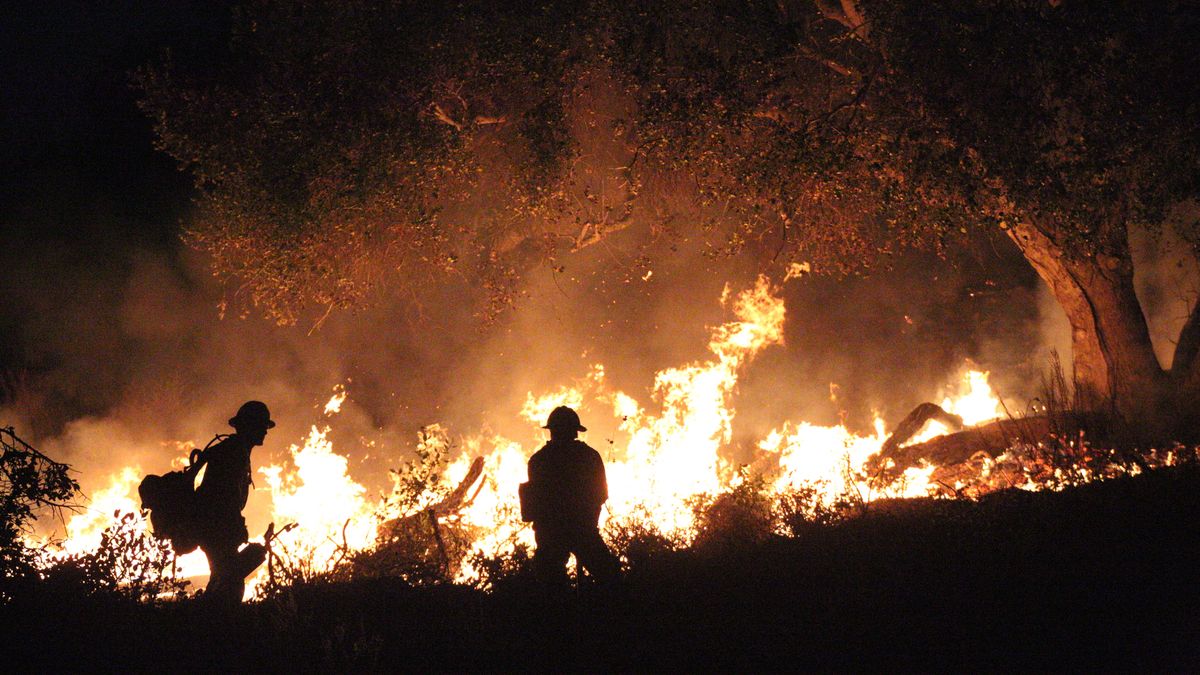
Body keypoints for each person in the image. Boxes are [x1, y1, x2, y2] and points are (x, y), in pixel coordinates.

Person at [523, 406, 620, 587]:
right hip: (582, 530)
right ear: (575, 431)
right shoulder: (589, 456)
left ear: (551, 431)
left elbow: (535, 502)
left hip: (550, 534)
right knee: (610, 576)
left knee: (550, 585)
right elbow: (601, 494)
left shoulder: (539, 460)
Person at [193, 400, 272, 607]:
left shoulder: (237, 450)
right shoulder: (233, 453)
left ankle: (205, 619)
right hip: (216, 529)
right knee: (229, 583)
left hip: (215, 528)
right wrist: (235, 527)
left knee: (223, 578)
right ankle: (218, 627)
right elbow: (223, 496)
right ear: (249, 426)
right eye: (262, 426)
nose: (265, 431)